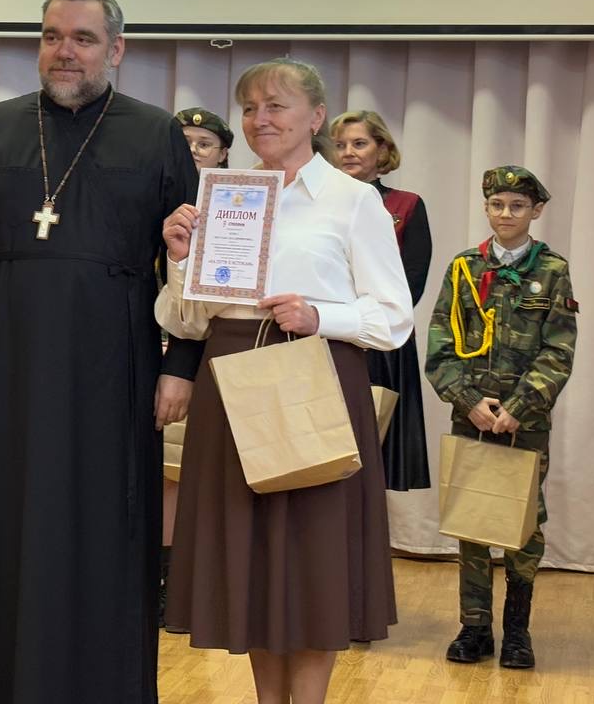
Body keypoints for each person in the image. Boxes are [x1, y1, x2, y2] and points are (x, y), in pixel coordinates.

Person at [0, 0, 201, 704]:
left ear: (116, 48)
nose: (65, 52)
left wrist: (181, 366)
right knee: (6, 527)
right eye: (52, 36)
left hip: (117, 365)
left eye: (83, 38)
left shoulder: (157, 133)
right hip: (11, 361)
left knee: (105, 529)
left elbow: (193, 261)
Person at [156, 58, 413, 704]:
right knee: (251, 560)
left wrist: (320, 316)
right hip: (230, 380)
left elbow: (394, 318)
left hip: (316, 376)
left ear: (316, 116)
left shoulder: (353, 201)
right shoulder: (220, 195)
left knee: (312, 559)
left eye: (276, 106)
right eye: (250, 108)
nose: (260, 119)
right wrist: (180, 263)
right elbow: (188, 321)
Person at [425, 165, 577, 669]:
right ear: (486, 208)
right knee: (471, 519)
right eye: (497, 204)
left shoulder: (551, 269)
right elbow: (440, 349)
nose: (505, 213)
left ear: (536, 210)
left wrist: (519, 406)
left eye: (517, 205)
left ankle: (517, 631)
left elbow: (558, 351)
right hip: (471, 416)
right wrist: (469, 401)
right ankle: (474, 627)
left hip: (524, 424)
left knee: (524, 522)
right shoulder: (464, 267)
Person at [329, 110, 432, 490]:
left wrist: (359, 321)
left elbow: (411, 283)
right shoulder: (320, 202)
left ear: (382, 149)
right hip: (322, 335)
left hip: (380, 342)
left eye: (359, 143)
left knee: (373, 456)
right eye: (340, 145)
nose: (348, 152)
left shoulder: (406, 205)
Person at [160, 106, 232, 626]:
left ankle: (199, 583)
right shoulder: (156, 196)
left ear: (224, 153)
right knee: (163, 472)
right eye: (184, 141)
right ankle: (162, 581)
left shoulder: (238, 205)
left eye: (204, 143)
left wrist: (181, 364)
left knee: (201, 474)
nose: (193, 151)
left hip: (212, 350)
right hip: (157, 342)